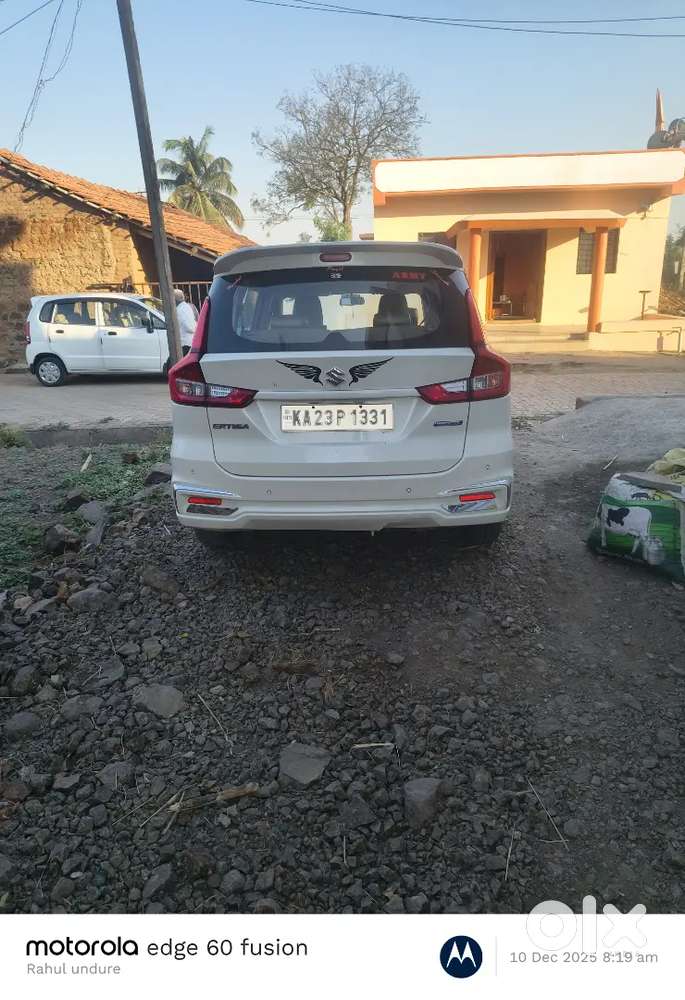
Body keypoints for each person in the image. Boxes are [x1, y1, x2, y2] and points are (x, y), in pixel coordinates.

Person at [174, 288, 197, 354]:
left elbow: (189, 327)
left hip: (185, 343)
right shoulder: (187, 307)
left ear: (175, 299)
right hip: (188, 341)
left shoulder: (181, 309)